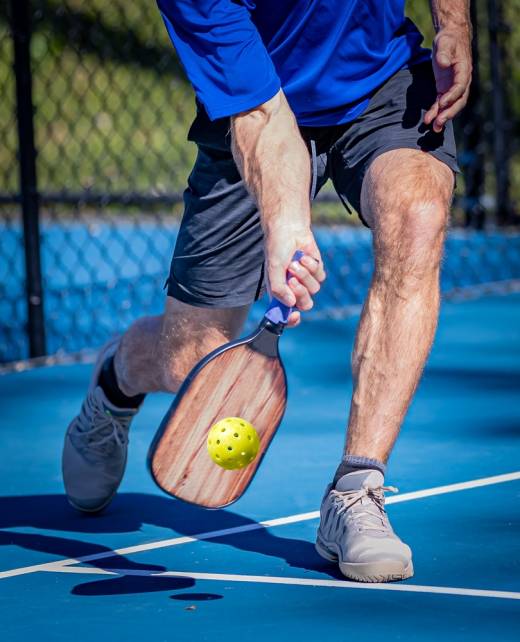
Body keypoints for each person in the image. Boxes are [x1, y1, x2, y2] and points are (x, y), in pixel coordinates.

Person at [62, 0, 472, 582]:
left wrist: (454, 22)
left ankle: (356, 491)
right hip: (257, 106)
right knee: (190, 362)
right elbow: (260, 115)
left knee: (419, 216)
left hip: (383, 77)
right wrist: (287, 226)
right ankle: (116, 377)